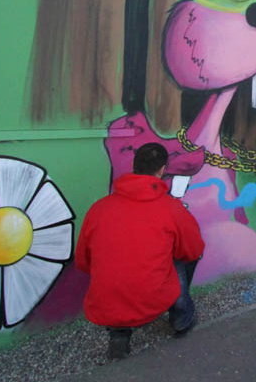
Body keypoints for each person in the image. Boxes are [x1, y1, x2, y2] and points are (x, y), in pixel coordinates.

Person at [76, 142, 205, 360]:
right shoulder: (171, 208)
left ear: (134, 167)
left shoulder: (99, 209)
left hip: (106, 302)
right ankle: (181, 318)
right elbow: (193, 250)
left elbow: (83, 261)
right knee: (182, 255)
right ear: (162, 170)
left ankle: (119, 334)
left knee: (115, 259)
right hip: (154, 298)